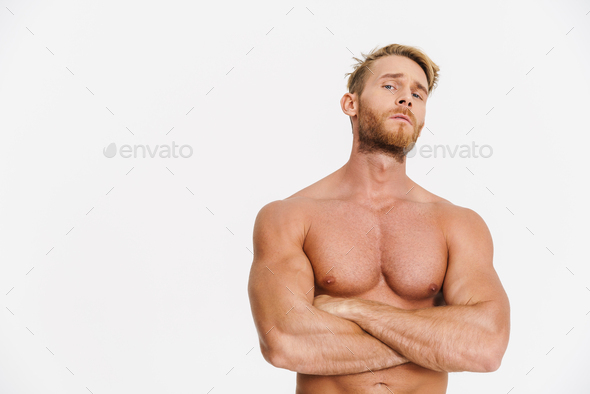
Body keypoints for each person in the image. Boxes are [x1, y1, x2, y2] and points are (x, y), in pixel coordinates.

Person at [247, 43, 510, 394]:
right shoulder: (289, 216)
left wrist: (351, 309)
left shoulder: (458, 224)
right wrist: (434, 344)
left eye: (419, 93)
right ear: (350, 104)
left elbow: (486, 347)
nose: (407, 99)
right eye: (390, 86)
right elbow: (284, 342)